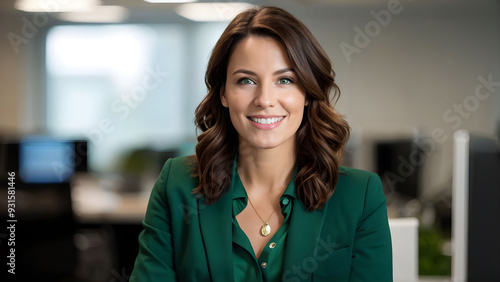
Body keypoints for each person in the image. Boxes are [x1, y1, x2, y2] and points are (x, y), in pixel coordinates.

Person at [130, 5, 392, 282]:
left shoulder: (360, 196)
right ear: (223, 94)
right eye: (246, 80)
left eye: (285, 80)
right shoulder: (177, 185)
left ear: (307, 92)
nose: (265, 99)